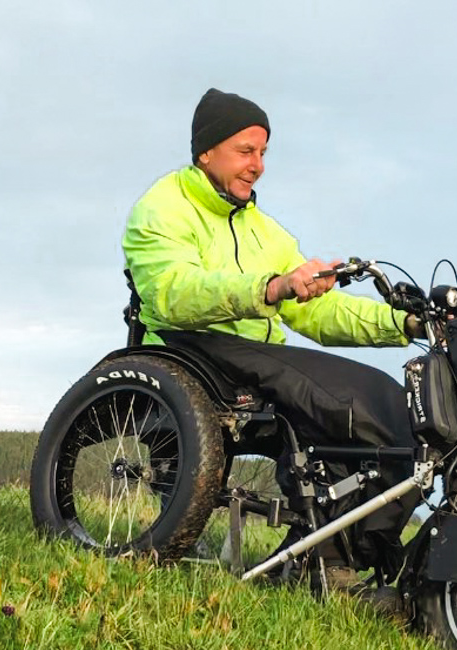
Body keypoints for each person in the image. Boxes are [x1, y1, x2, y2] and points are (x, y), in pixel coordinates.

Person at [122, 88, 422, 588]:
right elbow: (172, 293)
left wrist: (404, 325)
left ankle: (322, 559)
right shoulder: (161, 209)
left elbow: (319, 313)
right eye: (245, 151)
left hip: (257, 359)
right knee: (353, 402)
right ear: (206, 151)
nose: (257, 165)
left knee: (381, 408)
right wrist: (270, 286)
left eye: (263, 153)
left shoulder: (267, 231)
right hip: (190, 349)